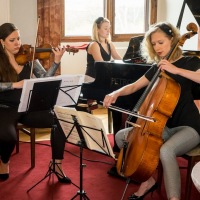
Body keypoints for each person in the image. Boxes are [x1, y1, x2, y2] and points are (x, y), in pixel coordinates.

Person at [103, 21, 200, 200]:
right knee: (121, 137)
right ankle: (149, 180)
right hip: (163, 127)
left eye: (160, 42)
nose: (157, 47)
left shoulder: (189, 61)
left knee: (166, 151)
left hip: (189, 127)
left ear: (173, 39)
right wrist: (115, 93)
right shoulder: (158, 67)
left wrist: (176, 70)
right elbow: (134, 86)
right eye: (153, 44)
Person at [0, 22, 71, 183]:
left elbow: (45, 79)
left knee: (59, 121)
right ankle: (4, 162)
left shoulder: (30, 56)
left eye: (18, 38)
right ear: (2, 41)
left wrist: (56, 61)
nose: (18, 43)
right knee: (7, 137)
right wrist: (15, 85)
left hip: (28, 106)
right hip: (5, 108)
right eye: (12, 40)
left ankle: (57, 164)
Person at [81, 17, 123, 153]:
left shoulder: (110, 44)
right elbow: (102, 65)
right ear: (97, 29)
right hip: (91, 82)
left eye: (109, 27)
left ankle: (119, 140)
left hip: (103, 81)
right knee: (117, 100)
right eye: (105, 28)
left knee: (119, 98)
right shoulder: (94, 45)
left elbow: (119, 59)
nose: (108, 30)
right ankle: (118, 142)